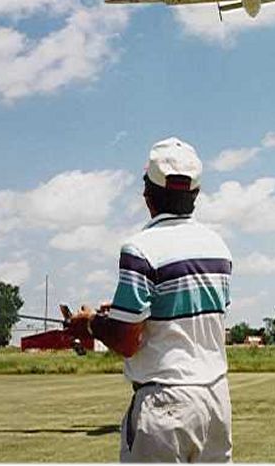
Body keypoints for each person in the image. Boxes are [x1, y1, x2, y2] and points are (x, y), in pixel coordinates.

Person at [67, 137, 233, 463]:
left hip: (165, 400)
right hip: (216, 400)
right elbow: (191, 315)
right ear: (195, 193)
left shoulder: (140, 249)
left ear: (147, 194)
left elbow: (126, 341)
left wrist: (90, 324)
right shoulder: (219, 249)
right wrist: (124, 312)